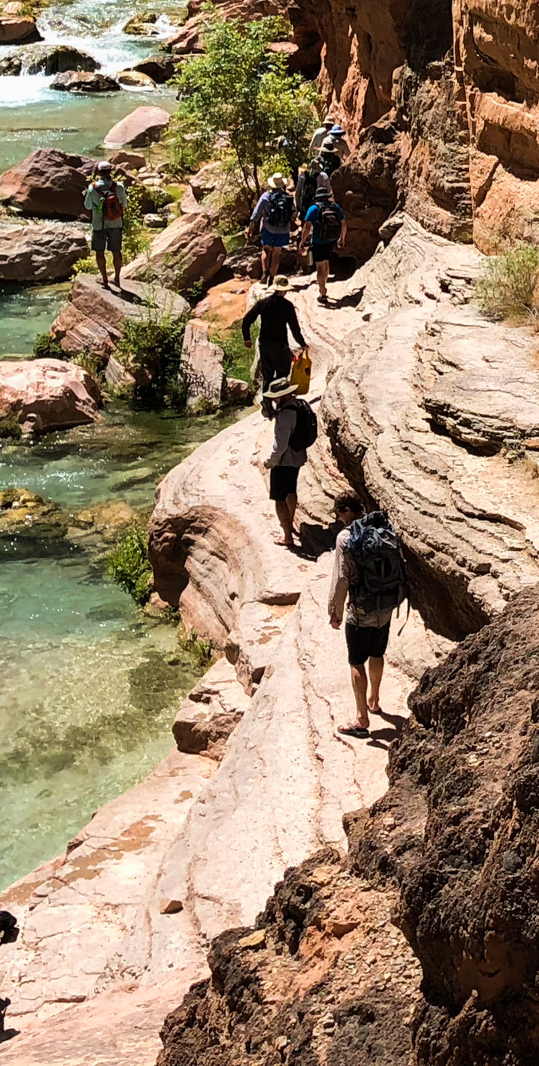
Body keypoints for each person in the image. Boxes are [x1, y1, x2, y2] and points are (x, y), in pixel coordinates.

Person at [327, 494, 406, 738]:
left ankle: (361, 719)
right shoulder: (382, 527)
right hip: (386, 606)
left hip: (360, 610)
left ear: (347, 510)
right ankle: (374, 700)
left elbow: (341, 578)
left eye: (338, 514)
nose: (338, 519)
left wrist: (335, 611)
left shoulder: (346, 538)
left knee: (356, 661)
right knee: (377, 653)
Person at [260, 378, 317, 550]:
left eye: (276, 397)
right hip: (298, 457)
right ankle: (290, 524)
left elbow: (281, 444)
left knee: (279, 498)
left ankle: (287, 537)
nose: (274, 400)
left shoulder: (285, 414)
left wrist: (271, 462)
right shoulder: (300, 405)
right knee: (291, 491)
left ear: (283, 395)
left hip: (284, 461)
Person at [241, 274, 308, 389]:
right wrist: (302, 344)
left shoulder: (263, 303)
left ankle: (267, 403)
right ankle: (280, 401)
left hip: (265, 345)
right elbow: (294, 329)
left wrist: (247, 338)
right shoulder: (287, 306)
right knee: (282, 376)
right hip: (280, 346)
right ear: (284, 291)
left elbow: (247, 320)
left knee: (268, 376)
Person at [83, 163, 127, 290]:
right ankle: (117, 278)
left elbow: (87, 206)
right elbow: (124, 205)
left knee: (99, 252)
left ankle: (104, 279)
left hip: (99, 225)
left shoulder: (93, 188)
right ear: (110, 172)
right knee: (116, 251)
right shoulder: (119, 187)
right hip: (116, 223)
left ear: (99, 173)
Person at [249, 173, 298, 279]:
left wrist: (251, 227)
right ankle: (272, 277)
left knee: (266, 250)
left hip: (268, 228)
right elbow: (294, 213)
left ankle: (264, 274)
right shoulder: (288, 197)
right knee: (276, 254)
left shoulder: (266, 196)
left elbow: (256, 214)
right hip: (283, 229)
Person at [303, 189, 347, 303]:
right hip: (331, 240)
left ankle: (322, 292)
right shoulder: (335, 207)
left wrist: (302, 241)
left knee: (320, 267)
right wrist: (342, 238)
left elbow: (307, 227)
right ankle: (324, 285)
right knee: (326, 262)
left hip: (318, 242)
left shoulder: (313, 208)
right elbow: (343, 223)